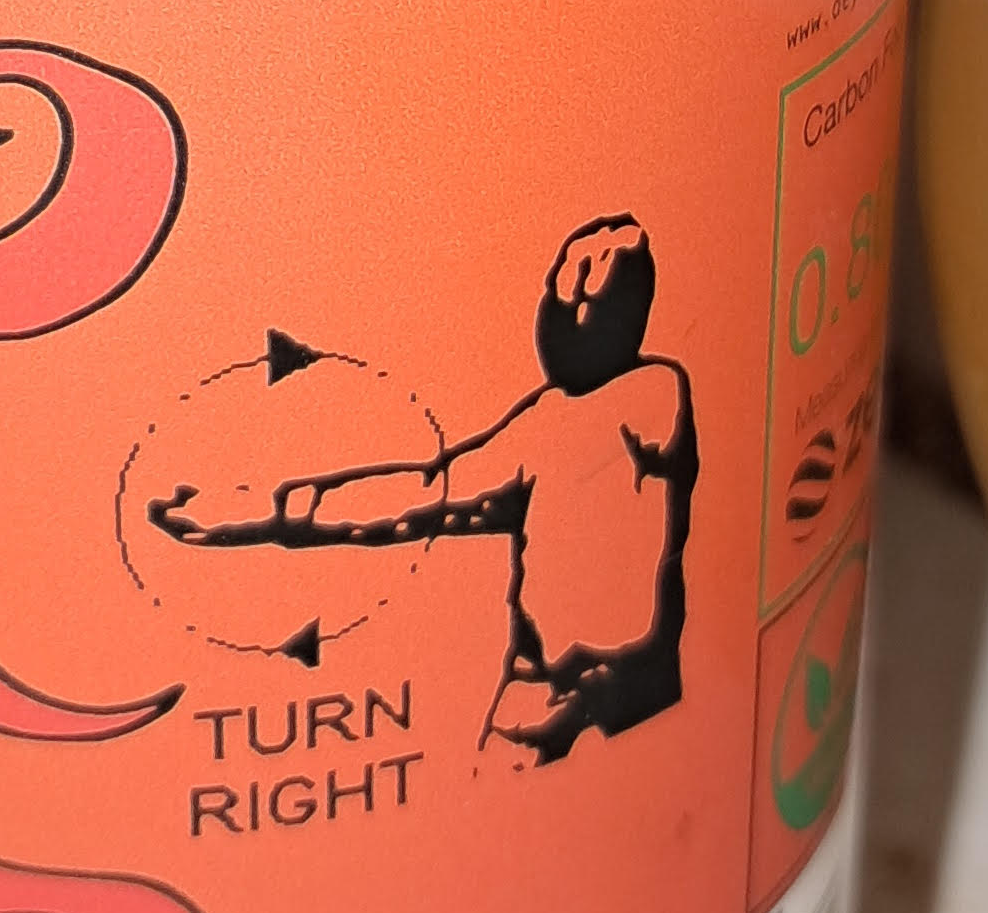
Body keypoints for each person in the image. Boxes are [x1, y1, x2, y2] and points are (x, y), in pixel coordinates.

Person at [151, 219, 694, 763]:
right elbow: (428, 494)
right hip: (544, 684)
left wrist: (259, 513)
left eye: (586, 288)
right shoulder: (551, 418)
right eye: (561, 286)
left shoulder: (649, 392)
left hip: (610, 686)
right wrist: (263, 510)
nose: (566, 302)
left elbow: (431, 498)